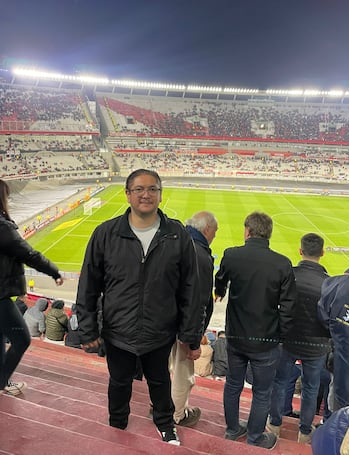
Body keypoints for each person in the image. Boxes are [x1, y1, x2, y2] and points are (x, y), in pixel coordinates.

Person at [76, 169, 203, 446]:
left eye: (152, 189)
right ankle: (117, 424)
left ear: (160, 194)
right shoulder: (106, 234)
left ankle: (165, 424)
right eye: (139, 189)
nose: (146, 195)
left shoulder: (177, 235)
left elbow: (191, 289)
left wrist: (189, 335)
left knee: (160, 382)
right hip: (118, 331)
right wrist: (88, 330)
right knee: (119, 382)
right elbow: (88, 284)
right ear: (128, 194)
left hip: (160, 331)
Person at [215, 211, 296, 450]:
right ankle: (254, 437)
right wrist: (280, 334)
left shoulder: (232, 255)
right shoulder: (282, 263)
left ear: (247, 231)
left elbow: (220, 280)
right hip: (266, 340)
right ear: (268, 233)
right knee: (262, 392)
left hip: (236, 336)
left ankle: (232, 429)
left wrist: (220, 290)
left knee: (233, 384)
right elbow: (289, 307)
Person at [0, 179, 63, 396]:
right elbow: (29, 254)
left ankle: (3, 381)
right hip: (0, 296)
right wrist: (54, 271)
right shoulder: (3, 228)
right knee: (22, 339)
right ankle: (1, 381)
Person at [268, 233, 331, 444]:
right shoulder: (328, 283)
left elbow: (275, 306)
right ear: (322, 253)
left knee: (280, 381)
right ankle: (304, 432)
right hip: (316, 345)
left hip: (287, 340)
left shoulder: (289, 275)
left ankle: (275, 424)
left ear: (300, 251)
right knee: (310, 388)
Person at [170, 210, 217, 427]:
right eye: (214, 232)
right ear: (206, 229)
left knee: (163, 369)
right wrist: (193, 341)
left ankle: (159, 405)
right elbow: (197, 301)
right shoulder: (199, 254)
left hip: (162, 322)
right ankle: (177, 415)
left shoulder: (173, 241)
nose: (214, 236)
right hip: (181, 327)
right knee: (182, 373)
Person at [318, 240, 349, 411]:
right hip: (344, 370)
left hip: (342, 372)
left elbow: (323, 320)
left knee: (339, 418)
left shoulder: (334, 285)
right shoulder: (336, 285)